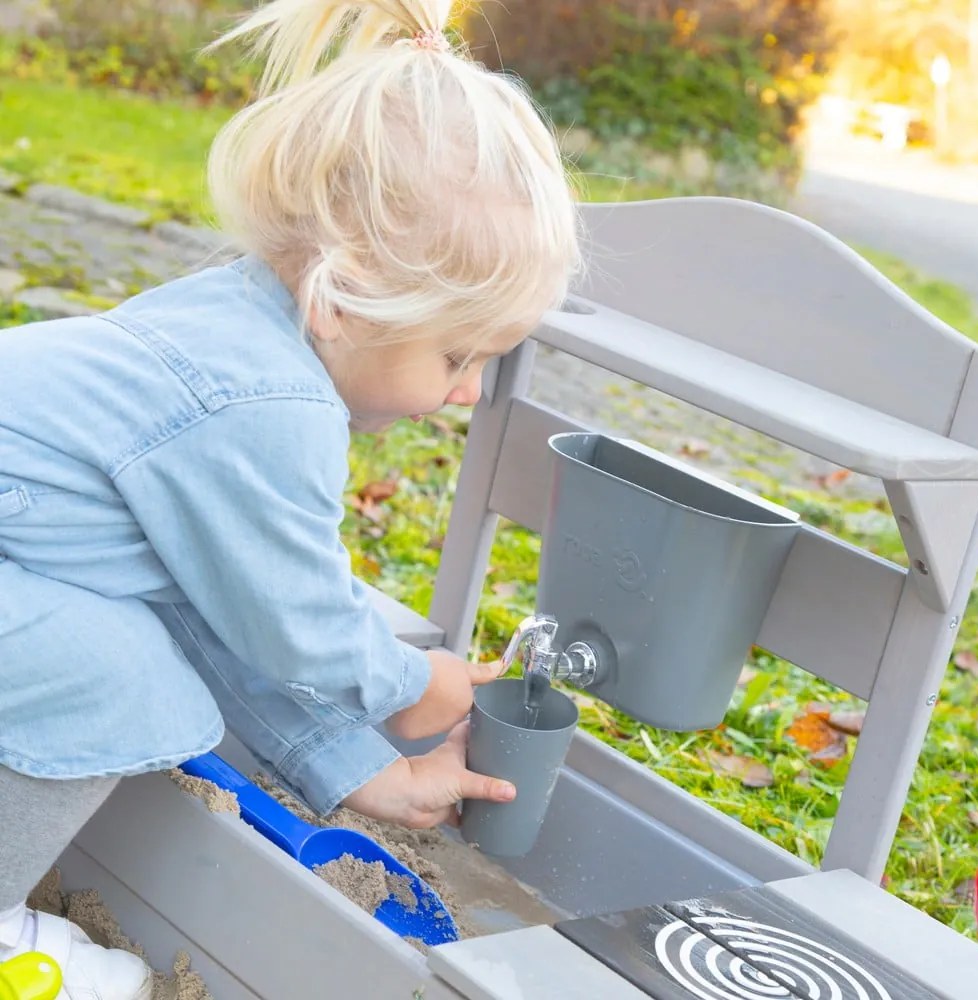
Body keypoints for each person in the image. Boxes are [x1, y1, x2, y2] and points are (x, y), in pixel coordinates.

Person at [0, 0, 582, 995]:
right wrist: (411, 684)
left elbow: (215, 613)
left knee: (139, 646)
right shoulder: (268, 404)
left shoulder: (229, 325)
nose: (469, 390)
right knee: (122, 674)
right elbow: (297, 628)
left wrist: (366, 769)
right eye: (457, 352)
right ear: (349, 297)